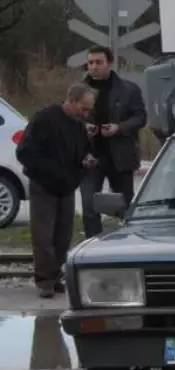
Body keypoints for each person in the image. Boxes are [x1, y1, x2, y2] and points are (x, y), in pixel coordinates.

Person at [16, 83, 97, 299]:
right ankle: (45, 280)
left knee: (63, 234)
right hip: (44, 185)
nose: (86, 113)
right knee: (43, 235)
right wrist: (51, 172)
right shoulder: (44, 119)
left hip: (67, 185)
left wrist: (86, 160)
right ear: (71, 101)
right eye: (84, 107)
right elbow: (25, 152)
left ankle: (56, 274)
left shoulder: (79, 126)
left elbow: (83, 151)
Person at [79, 46, 146, 238]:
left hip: (120, 155)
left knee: (124, 205)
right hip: (90, 156)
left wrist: (119, 128)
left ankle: (128, 242)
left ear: (109, 63)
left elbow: (140, 117)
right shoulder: (79, 90)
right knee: (89, 206)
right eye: (90, 62)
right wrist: (83, 127)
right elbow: (69, 116)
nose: (94, 67)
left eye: (99, 62)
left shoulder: (128, 89)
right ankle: (92, 246)